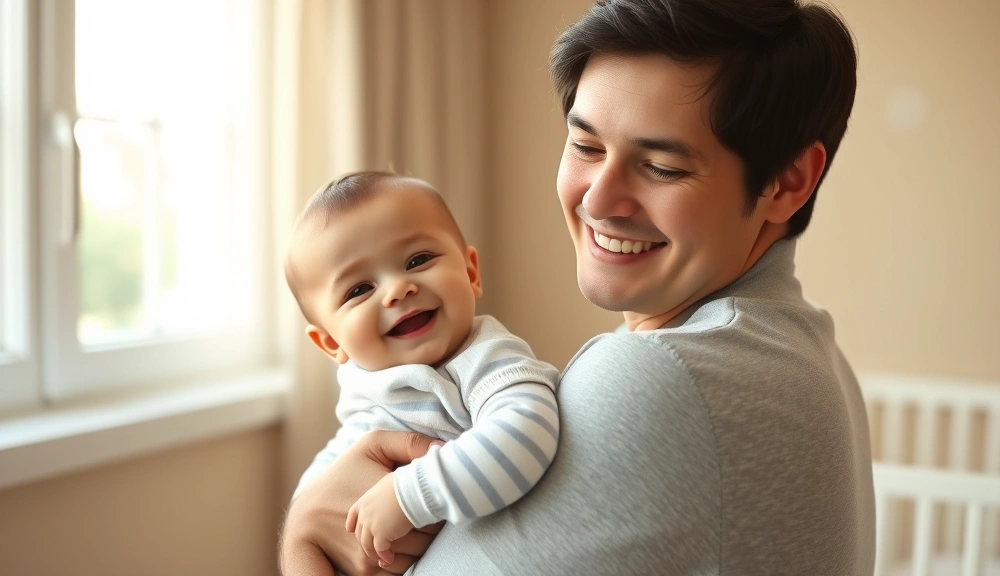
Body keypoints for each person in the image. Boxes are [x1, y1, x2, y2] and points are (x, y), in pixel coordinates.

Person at [280, 0, 876, 574]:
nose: (596, 200)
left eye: (661, 167)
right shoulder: (814, 350)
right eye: (585, 146)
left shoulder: (655, 378)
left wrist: (304, 533)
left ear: (787, 179)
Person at [281, 172, 560, 574]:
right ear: (330, 343)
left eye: (417, 260)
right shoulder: (365, 390)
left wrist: (408, 495)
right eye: (359, 289)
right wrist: (305, 537)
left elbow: (527, 434)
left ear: (470, 273)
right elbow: (320, 493)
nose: (398, 289)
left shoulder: (484, 359)